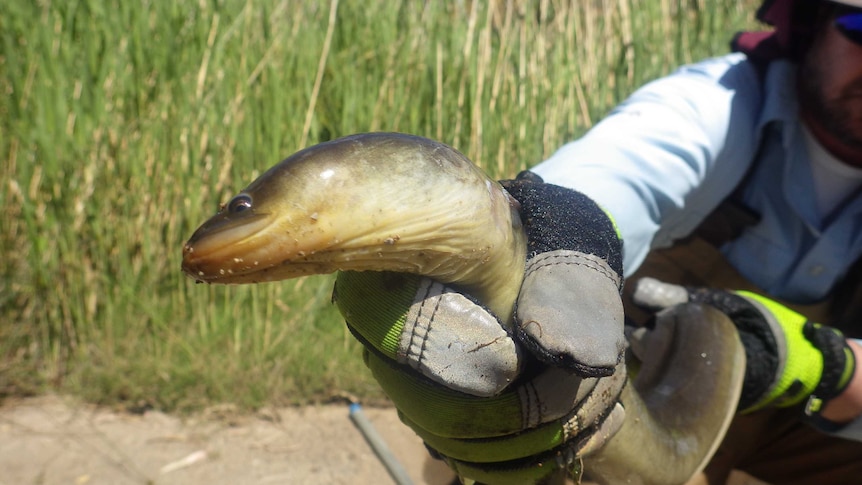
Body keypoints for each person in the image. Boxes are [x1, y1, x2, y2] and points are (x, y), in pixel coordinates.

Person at [335, 0, 862, 483]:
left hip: (804, 420)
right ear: (814, 23)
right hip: (632, 398)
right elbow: (606, 177)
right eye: (860, 28)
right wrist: (563, 232)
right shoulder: (716, 107)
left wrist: (823, 364)